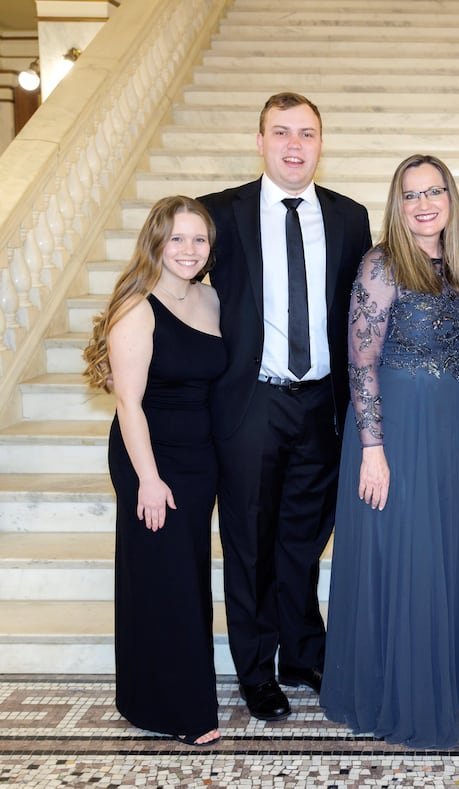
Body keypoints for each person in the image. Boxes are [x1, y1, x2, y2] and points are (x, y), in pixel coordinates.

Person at [198, 92, 372, 722]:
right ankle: (256, 668)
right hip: (250, 403)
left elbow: (360, 317)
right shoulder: (220, 213)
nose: (294, 145)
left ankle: (303, 653)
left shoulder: (351, 218)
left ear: (322, 143)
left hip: (321, 406)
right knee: (248, 540)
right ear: (260, 141)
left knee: (303, 540)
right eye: (281, 133)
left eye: (306, 133)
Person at [320, 154, 459, 749]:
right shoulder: (381, 263)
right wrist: (372, 449)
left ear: (450, 197)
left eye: (434, 191)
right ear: (398, 203)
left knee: (439, 551)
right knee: (405, 555)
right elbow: (360, 361)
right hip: (394, 429)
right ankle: (395, 695)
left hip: (448, 430)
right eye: (411, 194)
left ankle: (442, 678)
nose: (423, 204)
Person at [83, 195, 225, 747]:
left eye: (199, 239)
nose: (189, 250)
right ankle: (184, 711)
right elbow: (128, 404)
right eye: (178, 239)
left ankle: (143, 692)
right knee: (168, 579)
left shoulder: (212, 299)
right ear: (156, 242)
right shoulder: (136, 307)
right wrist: (147, 477)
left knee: (184, 574)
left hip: (199, 458)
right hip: (151, 457)